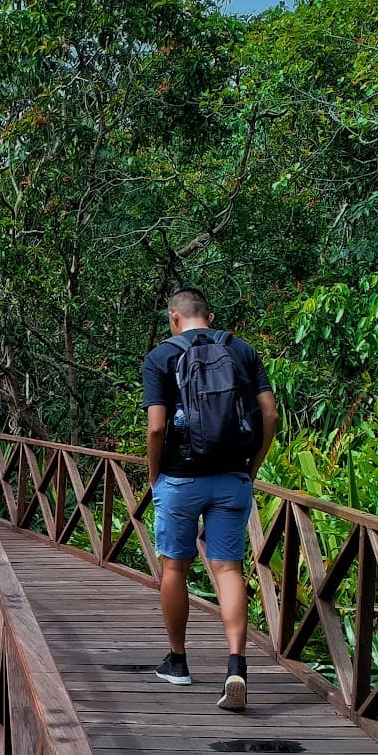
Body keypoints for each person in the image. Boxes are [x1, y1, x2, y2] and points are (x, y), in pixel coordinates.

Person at [142, 287, 279, 710]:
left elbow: (156, 429)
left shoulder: (161, 357)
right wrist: (251, 468)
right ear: (210, 314)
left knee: (174, 566)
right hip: (232, 476)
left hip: (181, 479)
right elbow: (271, 415)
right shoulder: (243, 351)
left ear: (174, 318)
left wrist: (153, 475)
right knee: (227, 569)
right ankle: (236, 664)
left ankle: (178, 662)